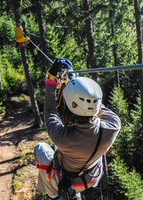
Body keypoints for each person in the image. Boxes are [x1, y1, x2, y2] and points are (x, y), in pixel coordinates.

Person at [34, 58, 121, 199]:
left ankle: (52, 195)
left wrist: (52, 78)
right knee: (59, 150)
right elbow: (97, 106)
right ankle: (75, 194)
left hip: (70, 177)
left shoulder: (62, 137)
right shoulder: (113, 126)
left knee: (40, 148)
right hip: (91, 177)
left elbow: (50, 110)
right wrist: (76, 85)